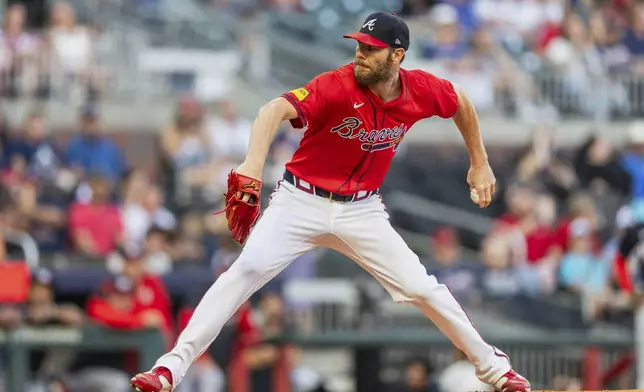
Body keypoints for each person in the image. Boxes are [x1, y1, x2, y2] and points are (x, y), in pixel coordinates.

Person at [131, 12, 531, 392]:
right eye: (359, 44)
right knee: (244, 271)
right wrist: (252, 164)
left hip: (362, 209)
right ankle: (170, 367)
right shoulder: (335, 85)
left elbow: (459, 100)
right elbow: (274, 110)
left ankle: (495, 368)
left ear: (397, 55)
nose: (360, 52)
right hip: (299, 200)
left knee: (422, 288)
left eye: (371, 48)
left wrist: (480, 162)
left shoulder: (420, 89)